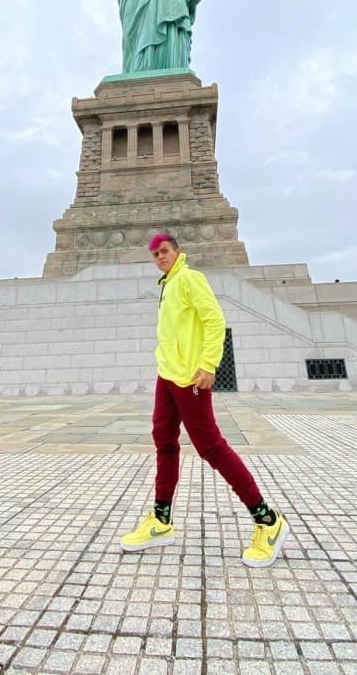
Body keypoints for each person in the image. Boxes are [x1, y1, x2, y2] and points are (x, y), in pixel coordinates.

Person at [119, 233, 289, 568]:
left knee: (211, 447)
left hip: (191, 378)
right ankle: (161, 520)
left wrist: (209, 364)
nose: (159, 257)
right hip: (167, 375)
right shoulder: (167, 285)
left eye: (164, 251)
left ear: (178, 251)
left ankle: (267, 521)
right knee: (164, 441)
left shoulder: (189, 279)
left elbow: (214, 320)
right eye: (155, 254)